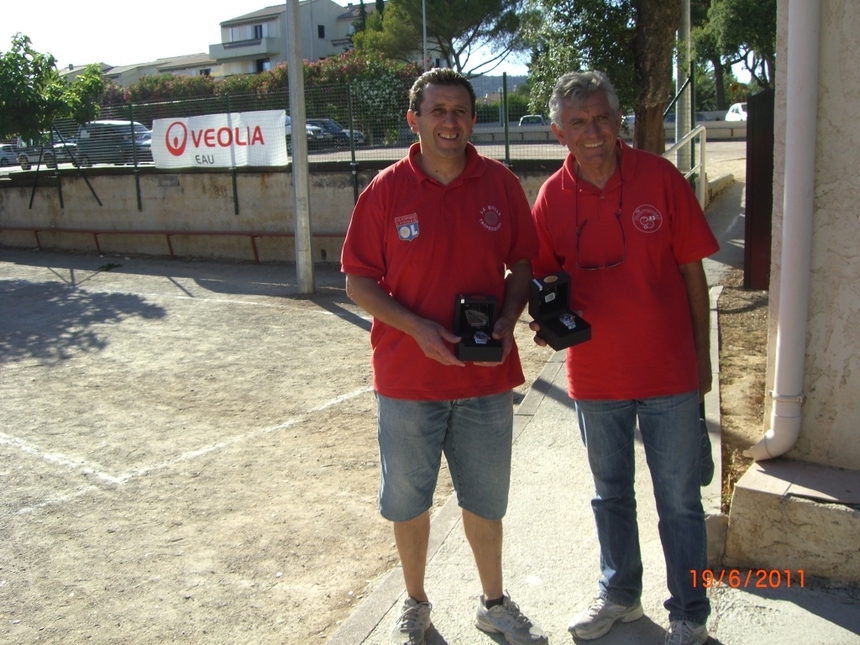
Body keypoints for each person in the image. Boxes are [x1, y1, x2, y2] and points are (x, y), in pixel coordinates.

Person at [340, 68, 548, 645]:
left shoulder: (501, 185)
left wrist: (507, 318)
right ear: (415, 120)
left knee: (486, 499)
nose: (450, 122)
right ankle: (415, 606)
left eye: (460, 111)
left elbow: (523, 264)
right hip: (407, 380)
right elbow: (358, 281)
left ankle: (495, 604)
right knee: (408, 501)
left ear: (472, 119)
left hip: (484, 378)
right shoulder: (384, 191)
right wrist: (416, 328)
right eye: (437, 111)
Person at [529, 70, 719, 645]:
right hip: (594, 376)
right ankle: (620, 594)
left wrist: (702, 363)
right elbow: (542, 279)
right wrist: (545, 320)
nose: (593, 132)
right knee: (609, 494)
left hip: (668, 373)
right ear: (559, 131)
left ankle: (689, 613)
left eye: (602, 118)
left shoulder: (660, 178)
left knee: (680, 502)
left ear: (619, 121)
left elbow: (694, 276)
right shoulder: (552, 197)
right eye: (578, 122)